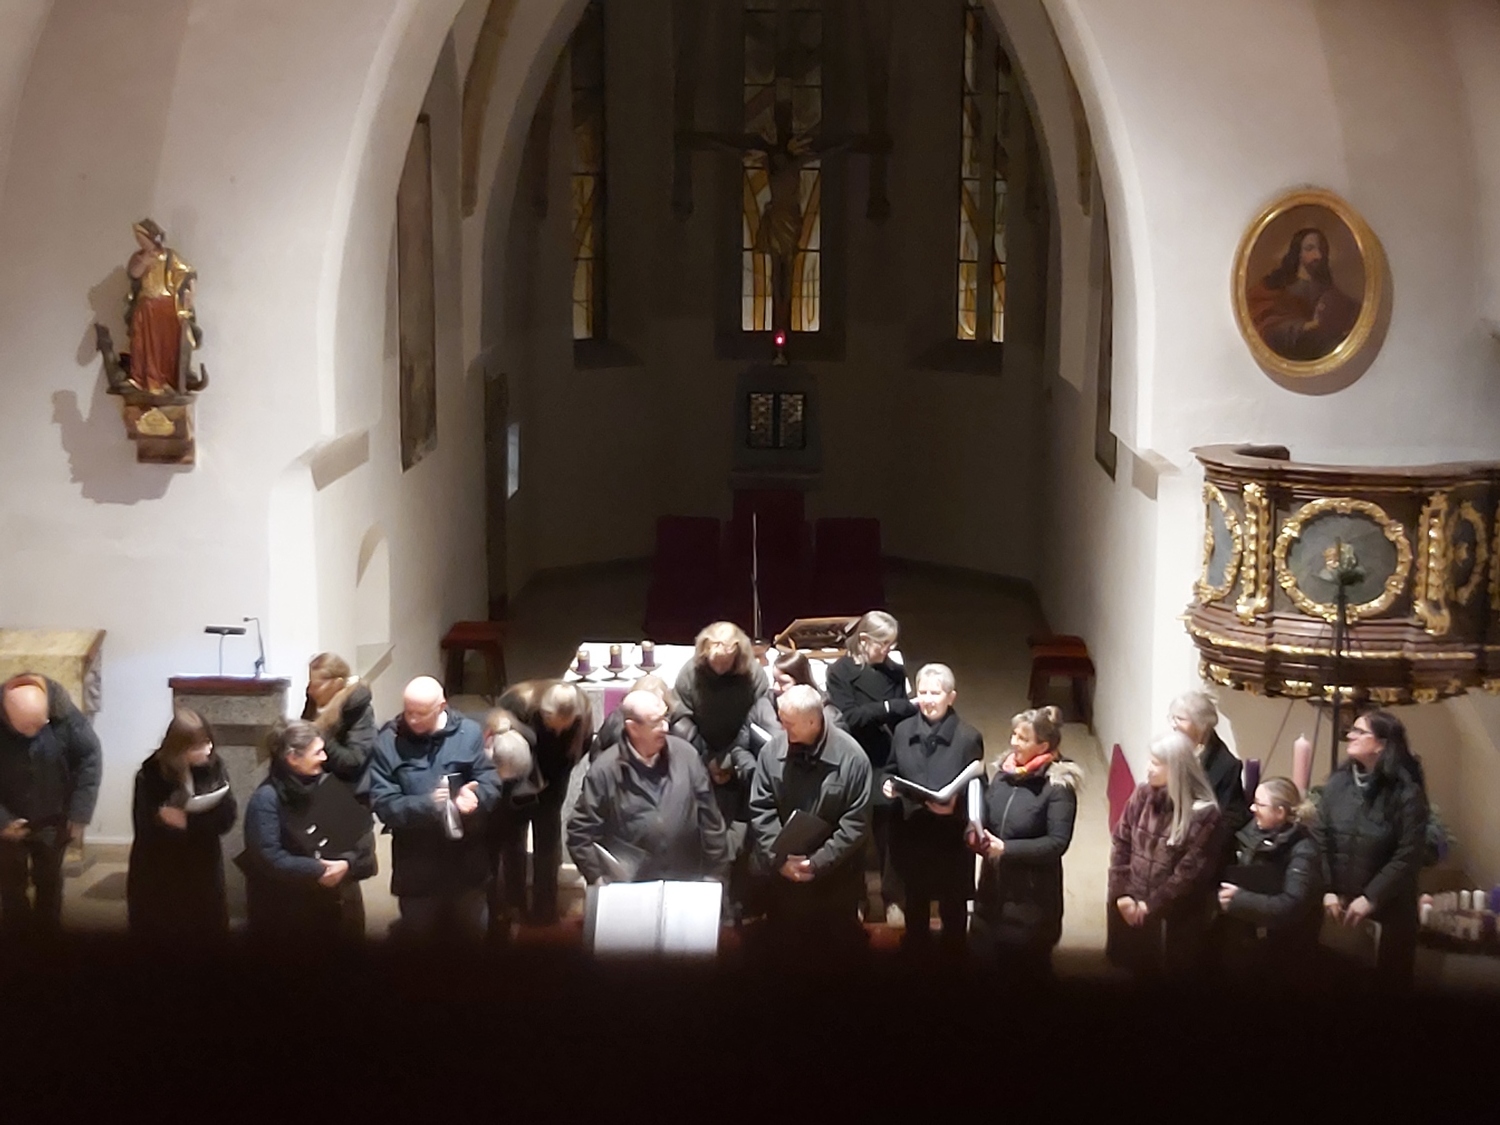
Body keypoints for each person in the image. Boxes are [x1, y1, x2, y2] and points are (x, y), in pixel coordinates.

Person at [367, 676, 501, 941]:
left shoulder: (468, 733)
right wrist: (428, 805)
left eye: (421, 713)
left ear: (441, 706)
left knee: (472, 940)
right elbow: (383, 803)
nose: (413, 719)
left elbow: (489, 780)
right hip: (417, 866)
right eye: (408, 712)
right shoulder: (388, 742)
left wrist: (475, 798)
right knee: (419, 944)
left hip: (466, 864)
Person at [747, 685, 872, 956]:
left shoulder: (853, 759)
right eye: (781, 720)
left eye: (789, 723)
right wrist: (779, 859)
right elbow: (761, 808)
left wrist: (816, 863)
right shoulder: (771, 752)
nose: (782, 729)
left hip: (836, 882)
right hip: (784, 880)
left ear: (813, 722)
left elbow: (856, 823)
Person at [1313, 710, 1429, 990]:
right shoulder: (1338, 783)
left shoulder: (1406, 792)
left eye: (1360, 731)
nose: (1350, 736)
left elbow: (1408, 854)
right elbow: (1320, 836)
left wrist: (1371, 897)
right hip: (1342, 907)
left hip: (1390, 912)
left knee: (1385, 997)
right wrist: (1328, 889)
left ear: (1382, 744)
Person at [567, 691, 729, 885]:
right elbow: (579, 832)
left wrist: (715, 874)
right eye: (655, 722)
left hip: (685, 880)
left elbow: (711, 821)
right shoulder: (605, 770)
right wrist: (597, 877)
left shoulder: (687, 756)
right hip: (633, 888)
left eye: (665, 718)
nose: (665, 727)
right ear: (633, 728)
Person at [968, 706, 1081, 979]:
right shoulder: (1004, 774)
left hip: (1031, 902)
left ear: (1043, 746)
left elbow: (1057, 843)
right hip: (991, 894)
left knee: (1024, 978)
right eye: (1014, 735)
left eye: (1023, 738)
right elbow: (987, 816)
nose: (1014, 742)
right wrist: (973, 833)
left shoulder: (1057, 787)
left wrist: (1006, 849)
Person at [241, 720, 377, 947]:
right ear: (293, 758)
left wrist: (346, 863)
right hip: (288, 913)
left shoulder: (326, 784)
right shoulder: (266, 799)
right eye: (317, 752)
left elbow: (362, 836)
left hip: (339, 906)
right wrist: (320, 869)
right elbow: (268, 856)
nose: (325, 757)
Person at [1107, 730, 1225, 980]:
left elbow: (1190, 872)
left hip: (1173, 916)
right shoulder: (1143, 794)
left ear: (1177, 769)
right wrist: (1122, 894)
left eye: (1156, 763)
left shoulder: (1204, 814)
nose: (1148, 768)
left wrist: (1150, 906)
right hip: (1130, 902)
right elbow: (1121, 842)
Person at [882, 664, 983, 955]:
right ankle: (916, 953)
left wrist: (956, 806)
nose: (927, 699)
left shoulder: (968, 737)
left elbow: (978, 786)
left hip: (950, 836)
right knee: (916, 901)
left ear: (951, 697)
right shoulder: (903, 730)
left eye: (935, 693)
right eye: (923, 692)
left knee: (953, 907)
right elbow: (890, 769)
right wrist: (887, 784)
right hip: (913, 831)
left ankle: (954, 956)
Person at [825, 610, 912, 925]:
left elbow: (904, 715)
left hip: (888, 758)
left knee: (890, 833)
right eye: (882, 644)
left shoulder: (895, 672)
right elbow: (850, 717)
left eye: (891, 644)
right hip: (856, 757)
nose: (887, 650)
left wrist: (890, 711)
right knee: (854, 833)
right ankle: (856, 898)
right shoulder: (840, 672)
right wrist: (888, 707)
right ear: (863, 640)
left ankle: (893, 899)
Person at [0, 673, 103, 939]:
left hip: (52, 816)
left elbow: (89, 759)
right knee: (10, 884)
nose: (33, 733)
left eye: (39, 725)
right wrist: (3, 821)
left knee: (50, 881)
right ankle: (16, 941)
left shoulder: (65, 714)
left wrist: (79, 814)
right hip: (8, 817)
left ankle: (48, 940)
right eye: (25, 728)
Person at [125, 709, 236, 945]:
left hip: (202, 869)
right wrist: (165, 820)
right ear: (179, 749)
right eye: (198, 746)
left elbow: (227, 817)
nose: (207, 750)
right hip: (161, 874)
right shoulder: (150, 775)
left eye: (208, 742)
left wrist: (189, 822)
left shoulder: (214, 767)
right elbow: (145, 829)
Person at [494, 679, 594, 925]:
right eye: (551, 723)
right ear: (543, 711)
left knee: (548, 840)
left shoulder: (581, 709)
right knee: (513, 839)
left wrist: (551, 780)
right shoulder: (517, 703)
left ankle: (545, 908)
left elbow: (580, 748)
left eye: (564, 725)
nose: (557, 729)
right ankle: (514, 904)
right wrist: (527, 781)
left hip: (555, 775)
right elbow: (504, 749)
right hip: (518, 777)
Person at [1216, 777, 1322, 985]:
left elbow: (1291, 905)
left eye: (1259, 804)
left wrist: (1238, 900)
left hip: (1284, 951)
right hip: (1247, 938)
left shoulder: (1303, 849)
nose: (1252, 808)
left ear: (1280, 812)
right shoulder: (1250, 831)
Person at [1246, 226, 1361, 361]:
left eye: (1322, 249)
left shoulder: (1329, 291)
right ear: (1298, 253)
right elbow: (1266, 328)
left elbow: (1353, 317)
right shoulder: (1274, 287)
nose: (1318, 256)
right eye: (1310, 249)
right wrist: (1306, 326)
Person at [125, 217, 200, 395]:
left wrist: (190, 292)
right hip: (146, 306)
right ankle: (143, 379)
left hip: (166, 306)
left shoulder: (168, 256)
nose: (140, 241)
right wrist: (144, 261)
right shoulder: (139, 257)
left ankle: (167, 379)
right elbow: (134, 274)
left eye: (142, 238)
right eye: (138, 238)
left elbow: (187, 272)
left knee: (166, 343)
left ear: (151, 237)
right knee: (142, 343)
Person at [1169, 690, 1251, 846]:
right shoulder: (1172, 748)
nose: (1173, 725)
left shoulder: (1226, 765)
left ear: (1201, 725)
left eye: (1180, 719)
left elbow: (1232, 816)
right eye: (1172, 718)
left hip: (1201, 841)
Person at [301, 652, 377, 786]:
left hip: (344, 785)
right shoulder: (314, 700)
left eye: (317, 686)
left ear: (337, 684)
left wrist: (321, 736)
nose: (310, 691)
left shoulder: (358, 707)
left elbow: (354, 762)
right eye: (310, 684)